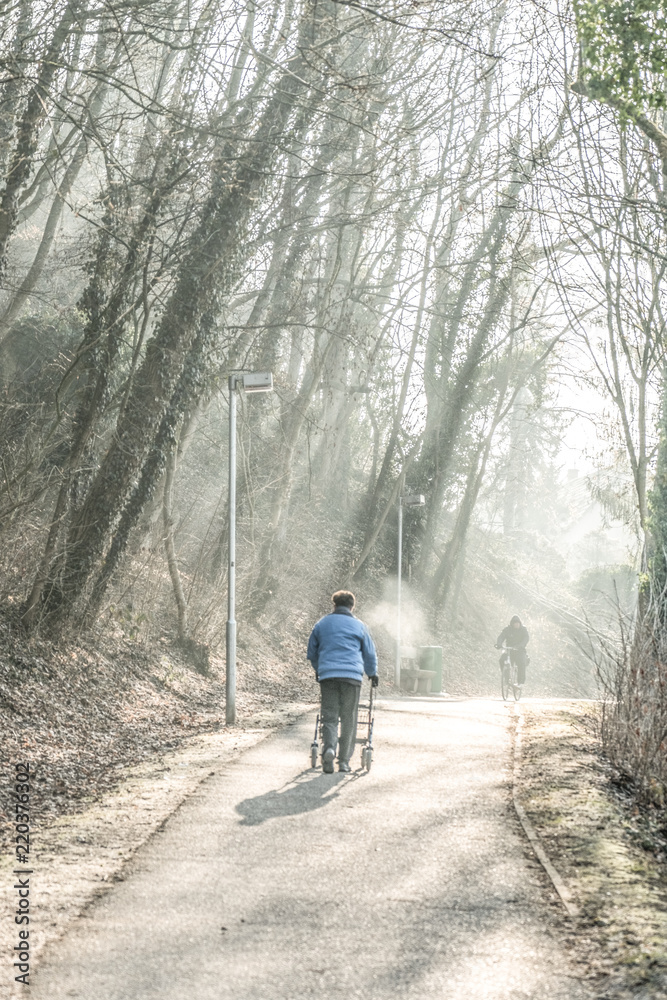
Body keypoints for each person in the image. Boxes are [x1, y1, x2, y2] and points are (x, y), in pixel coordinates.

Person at [307, 590, 378, 773]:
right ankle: (344, 761)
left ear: (334, 605)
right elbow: (369, 653)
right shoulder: (359, 626)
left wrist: (319, 669)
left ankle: (329, 748)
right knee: (349, 718)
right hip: (351, 678)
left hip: (328, 675)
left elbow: (312, 652)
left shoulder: (322, 624)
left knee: (329, 716)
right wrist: (372, 673)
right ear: (352, 606)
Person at [495, 615, 530, 686]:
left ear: (520, 623)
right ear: (512, 624)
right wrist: (499, 644)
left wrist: (520, 646)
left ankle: (520, 683)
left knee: (521, 663)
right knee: (502, 660)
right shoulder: (507, 629)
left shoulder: (523, 630)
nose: (516, 624)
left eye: (518, 623)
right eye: (515, 623)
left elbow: (526, 638)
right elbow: (501, 636)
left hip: (520, 650)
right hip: (509, 650)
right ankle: (506, 677)